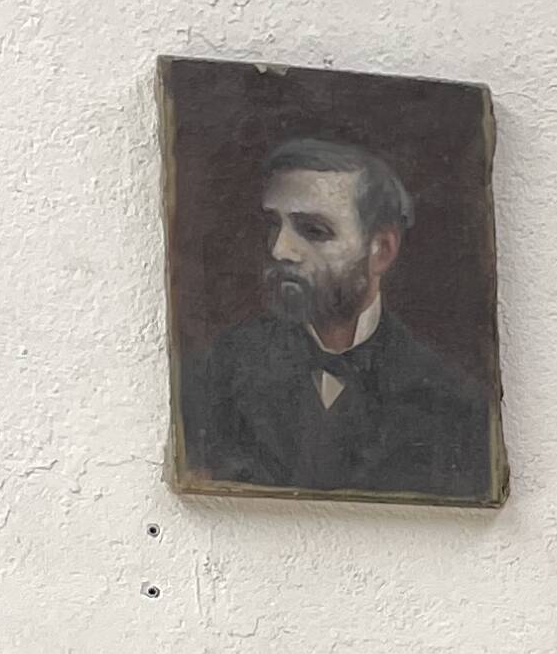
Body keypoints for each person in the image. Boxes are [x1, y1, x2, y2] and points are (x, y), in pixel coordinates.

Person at [177, 137, 496, 500]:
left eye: (314, 230)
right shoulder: (215, 373)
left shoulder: (452, 403)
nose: (280, 250)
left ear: (382, 251)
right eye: (273, 225)